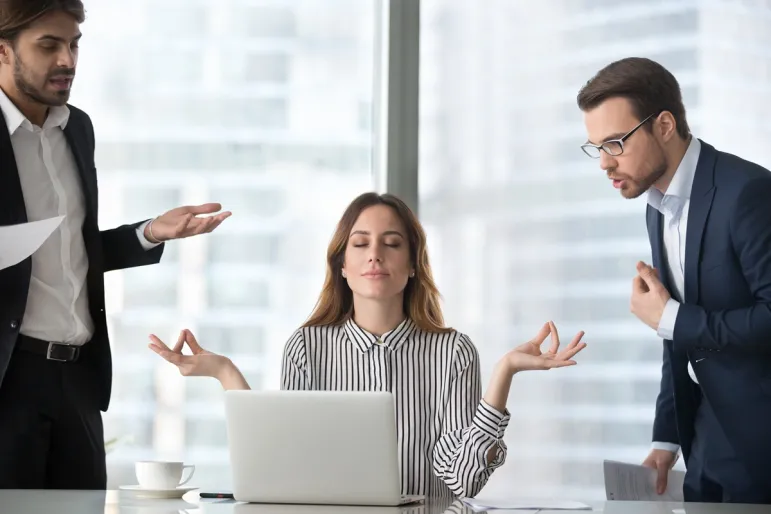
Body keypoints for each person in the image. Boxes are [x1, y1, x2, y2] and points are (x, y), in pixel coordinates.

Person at [149, 192, 587, 499]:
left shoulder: (453, 352)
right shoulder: (306, 347)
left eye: (391, 244)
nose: (375, 255)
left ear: (412, 265)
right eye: (360, 244)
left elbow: (462, 479)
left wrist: (504, 371)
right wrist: (225, 372)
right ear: (343, 265)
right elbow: (286, 463)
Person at [0, 0, 231, 489]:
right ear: (3, 51)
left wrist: (149, 234)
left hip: (78, 383)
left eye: (74, 44)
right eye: (49, 46)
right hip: (8, 381)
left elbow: (68, 250)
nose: (67, 60)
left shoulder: (77, 129)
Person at [577, 57, 771, 503]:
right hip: (704, 446)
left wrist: (673, 319)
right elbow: (675, 333)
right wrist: (667, 438)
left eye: (615, 143)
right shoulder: (657, 206)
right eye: (595, 148)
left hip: (761, 451)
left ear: (664, 125)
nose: (605, 164)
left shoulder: (748, 194)